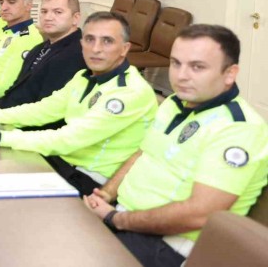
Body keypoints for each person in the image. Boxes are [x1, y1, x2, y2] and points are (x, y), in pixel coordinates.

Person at [83, 24, 268, 267]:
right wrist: (106, 194)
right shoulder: (173, 103)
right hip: (125, 219)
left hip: (166, 246)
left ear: (230, 73)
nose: (181, 76)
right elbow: (143, 154)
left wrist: (116, 218)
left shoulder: (238, 129)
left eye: (197, 67)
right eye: (176, 63)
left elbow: (199, 214)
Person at [0, 12, 158, 197]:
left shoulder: (130, 92)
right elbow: (43, 109)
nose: (96, 48)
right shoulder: (84, 77)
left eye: (107, 41)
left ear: (125, 48)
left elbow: (68, 139)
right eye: (90, 40)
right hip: (61, 162)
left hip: (88, 180)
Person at [0, 0, 87, 121]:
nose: (48, 17)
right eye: (44, 11)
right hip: (6, 115)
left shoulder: (75, 54)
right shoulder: (40, 48)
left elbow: (47, 111)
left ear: (75, 18)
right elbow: (17, 89)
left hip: (24, 125)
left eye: (58, 12)